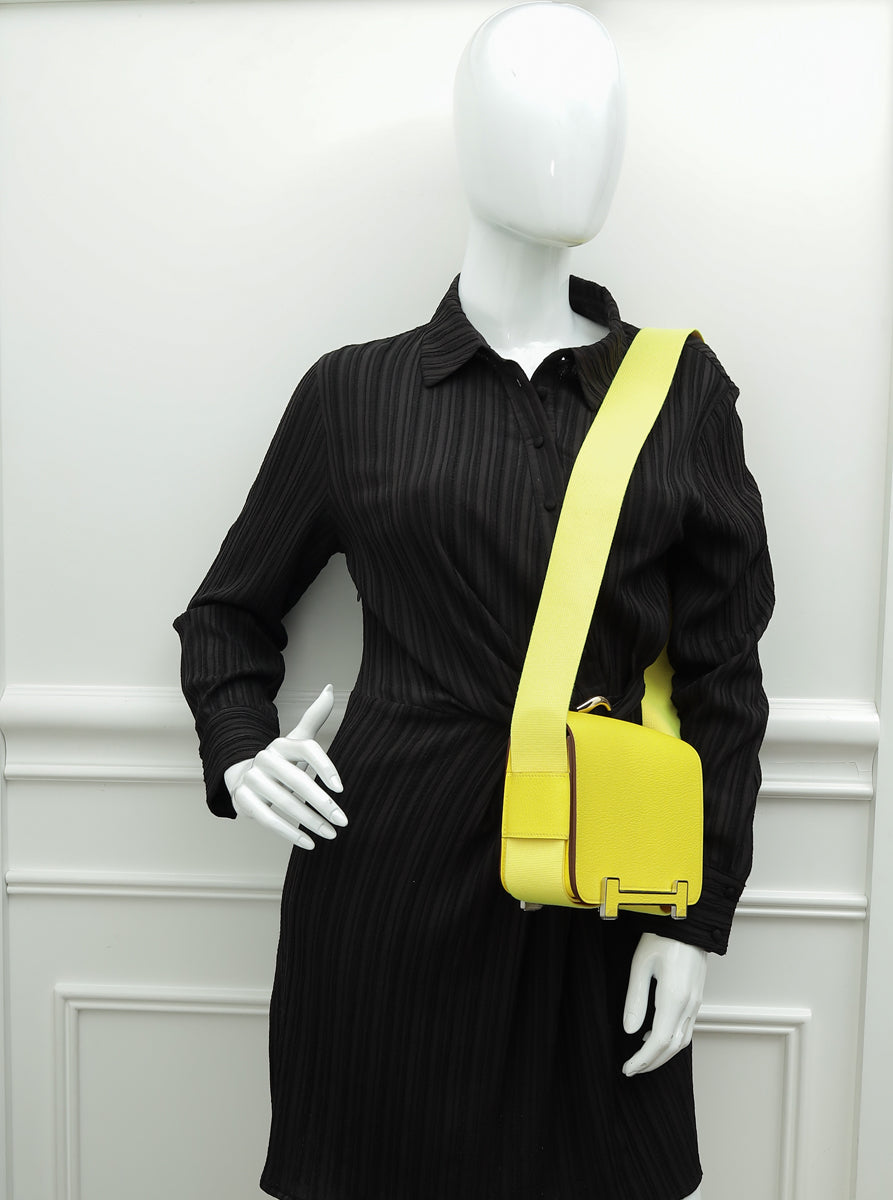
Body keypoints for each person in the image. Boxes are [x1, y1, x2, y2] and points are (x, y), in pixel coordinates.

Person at [174, 5, 773, 1198]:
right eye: (533, 105)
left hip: (600, 887)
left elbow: (725, 681)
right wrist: (241, 749)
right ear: (467, 133)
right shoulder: (353, 394)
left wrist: (691, 917)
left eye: (598, 113)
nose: (573, 142)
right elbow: (226, 616)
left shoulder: (679, 392)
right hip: (386, 879)